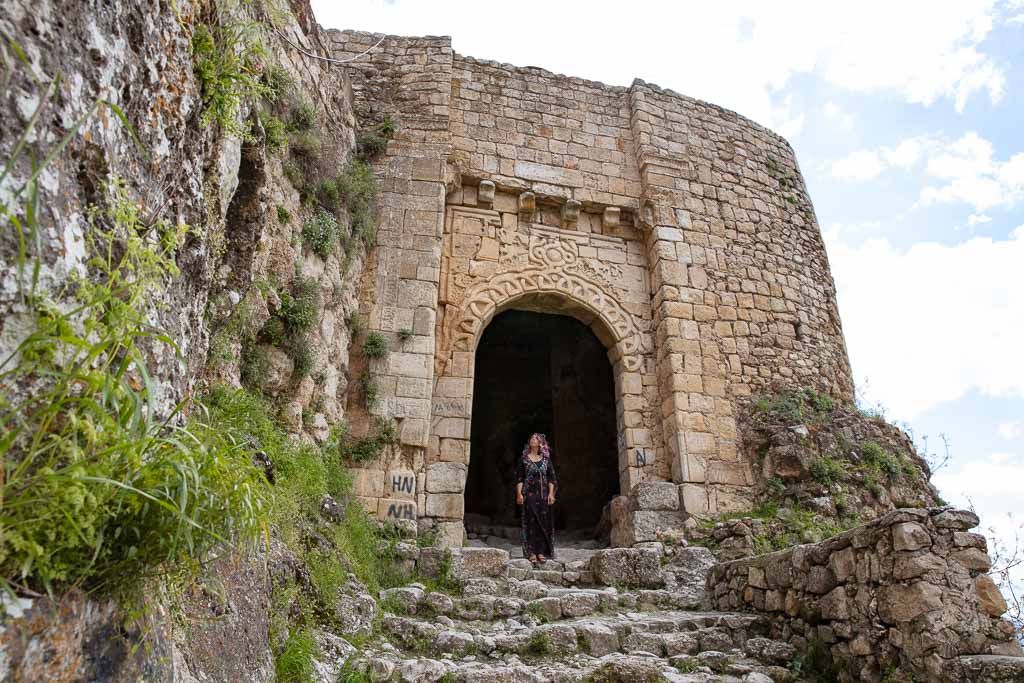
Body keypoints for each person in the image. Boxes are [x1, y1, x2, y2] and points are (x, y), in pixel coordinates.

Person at [515, 432, 557, 565]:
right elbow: (519, 478)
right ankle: (532, 552)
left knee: (543, 522)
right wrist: (519, 494)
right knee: (531, 522)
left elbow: (551, 478)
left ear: (540, 443)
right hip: (529, 495)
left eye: (536, 438)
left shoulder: (546, 460)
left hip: (544, 496)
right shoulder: (524, 459)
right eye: (532, 438)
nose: (533, 440)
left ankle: (541, 552)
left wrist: (551, 494)